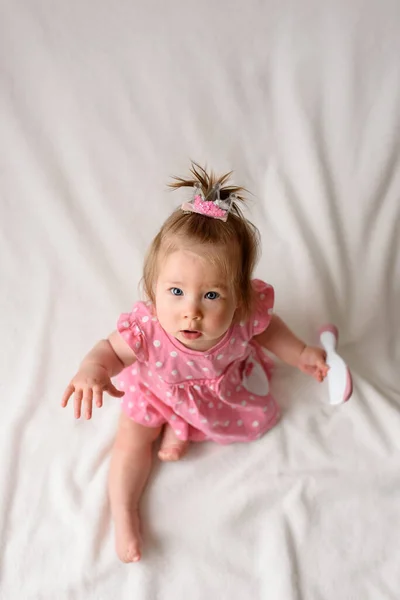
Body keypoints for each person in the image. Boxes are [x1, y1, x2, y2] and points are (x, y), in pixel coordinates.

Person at [62, 163, 329, 563]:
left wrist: (302, 353)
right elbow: (111, 352)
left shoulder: (244, 317)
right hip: (154, 393)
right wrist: (92, 370)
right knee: (131, 443)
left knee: (246, 417)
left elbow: (271, 332)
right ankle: (124, 513)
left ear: (238, 297)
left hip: (213, 393)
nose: (191, 312)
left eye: (211, 296)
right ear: (153, 289)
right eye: (175, 291)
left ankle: (182, 426)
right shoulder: (147, 330)